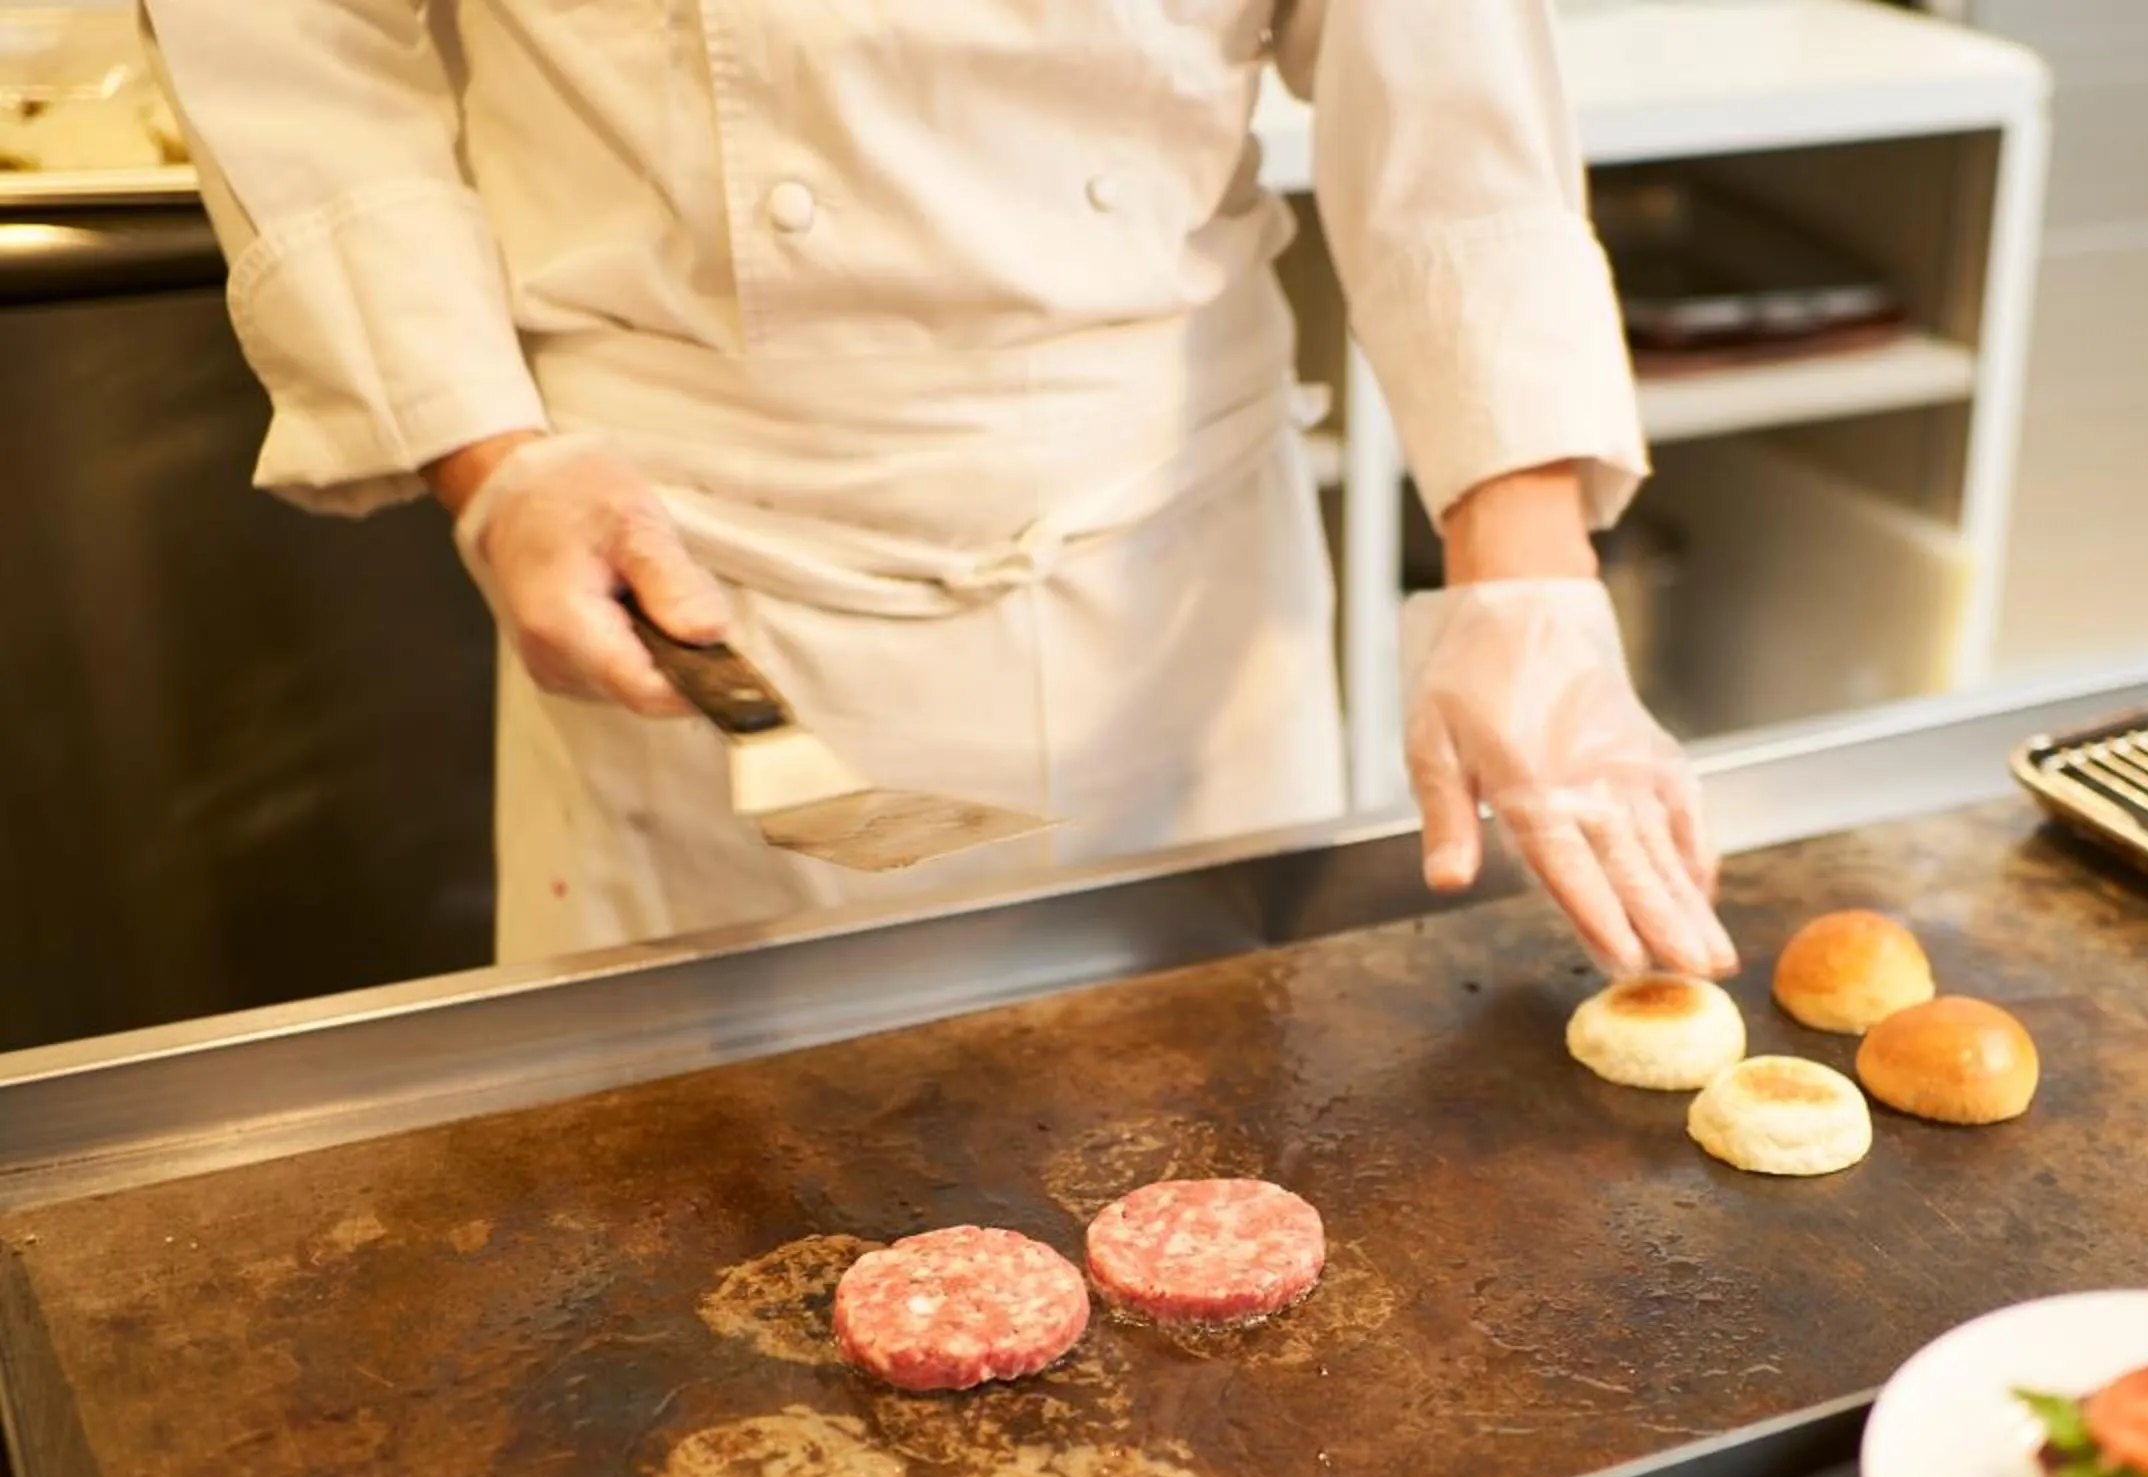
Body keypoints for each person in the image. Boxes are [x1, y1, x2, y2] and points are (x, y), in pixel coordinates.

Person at [138, 2, 1738, 980]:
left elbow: (1438, 57)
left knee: (1234, 1236)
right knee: (696, 1293)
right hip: (696, 577)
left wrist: (1523, 565)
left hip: (1175, 589)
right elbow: (291, 31)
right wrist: (489, 458)